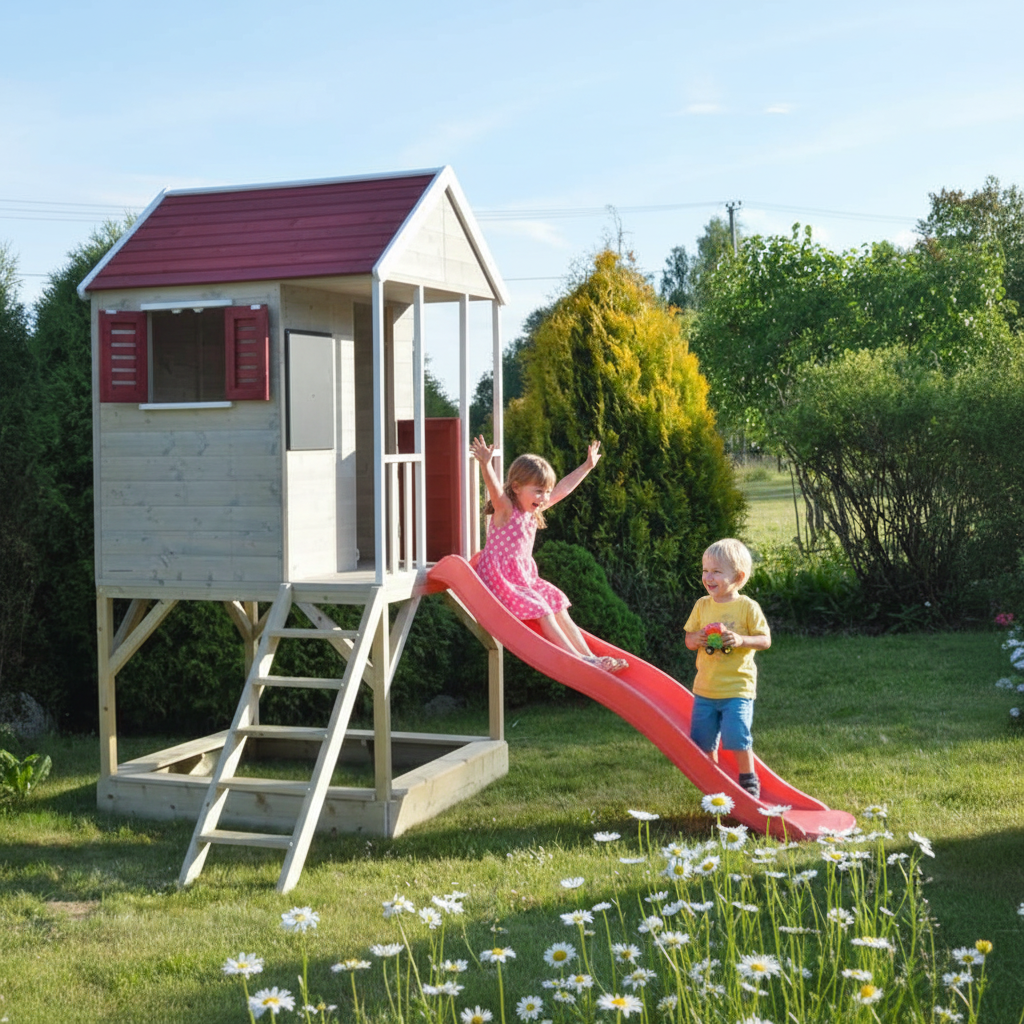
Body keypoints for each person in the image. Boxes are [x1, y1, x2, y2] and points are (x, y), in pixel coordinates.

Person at [470, 435, 627, 673]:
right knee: (543, 608)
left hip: (524, 580)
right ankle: (579, 660)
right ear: (516, 487)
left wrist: (587, 466)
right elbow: (493, 490)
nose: (544, 498)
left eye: (546, 492)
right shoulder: (506, 510)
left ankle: (590, 657)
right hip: (500, 582)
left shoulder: (532, 511)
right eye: (538, 491)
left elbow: (563, 489)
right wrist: (485, 464)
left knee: (556, 603)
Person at [684, 538, 771, 799]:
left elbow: (764, 640)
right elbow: (689, 640)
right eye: (704, 570)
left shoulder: (747, 607)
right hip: (705, 690)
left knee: (737, 735)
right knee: (703, 739)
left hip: (737, 689)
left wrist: (741, 639)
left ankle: (747, 778)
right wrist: (697, 638)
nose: (708, 577)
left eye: (716, 572)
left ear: (738, 576)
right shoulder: (702, 605)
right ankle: (714, 779)